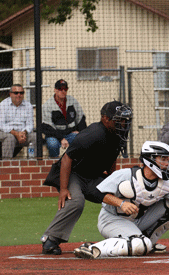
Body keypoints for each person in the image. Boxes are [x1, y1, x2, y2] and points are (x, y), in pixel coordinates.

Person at [74, 141, 169, 259]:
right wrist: (121, 203)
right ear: (150, 159)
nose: (166, 163)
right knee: (139, 246)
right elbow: (95, 193)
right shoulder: (125, 175)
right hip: (111, 220)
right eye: (162, 158)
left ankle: (146, 242)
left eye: (167, 159)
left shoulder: (167, 184)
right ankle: (93, 249)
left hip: (136, 221)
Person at [41, 101, 133, 255]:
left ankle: (131, 236)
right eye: (119, 120)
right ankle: (50, 239)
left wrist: (112, 183)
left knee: (124, 194)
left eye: (125, 120)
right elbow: (66, 159)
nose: (123, 123)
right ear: (105, 119)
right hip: (73, 174)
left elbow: (111, 160)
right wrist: (63, 189)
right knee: (76, 201)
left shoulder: (117, 134)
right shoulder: (93, 134)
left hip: (92, 176)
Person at [42, 79, 87, 158]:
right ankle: (54, 163)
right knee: (53, 144)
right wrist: (61, 138)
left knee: (82, 139)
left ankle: (75, 161)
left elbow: (81, 119)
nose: (63, 91)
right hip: (54, 135)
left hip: (70, 133)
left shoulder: (72, 101)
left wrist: (80, 132)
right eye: (60, 89)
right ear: (55, 90)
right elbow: (47, 127)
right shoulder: (48, 105)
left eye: (65, 89)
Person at [0, 84, 37, 158]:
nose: (19, 95)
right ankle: (6, 164)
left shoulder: (28, 105)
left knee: (35, 137)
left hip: (23, 133)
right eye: (16, 93)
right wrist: (16, 134)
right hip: (5, 132)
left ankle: (32, 161)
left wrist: (23, 133)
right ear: (10, 94)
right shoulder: (3, 104)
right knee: (10, 138)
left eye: (21, 93)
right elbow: (1, 125)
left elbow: (30, 124)